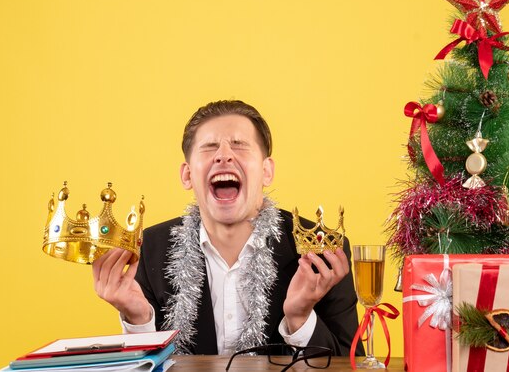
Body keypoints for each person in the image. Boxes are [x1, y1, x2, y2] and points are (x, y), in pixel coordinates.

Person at [92, 100, 362, 356]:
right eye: (209, 147)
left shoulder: (320, 252)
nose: (223, 156)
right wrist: (138, 320)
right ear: (187, 175)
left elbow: (350, 363)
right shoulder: (149, 248)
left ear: (267, 171)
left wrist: (300, 318)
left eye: (239, 145)